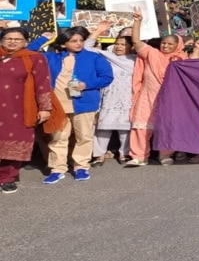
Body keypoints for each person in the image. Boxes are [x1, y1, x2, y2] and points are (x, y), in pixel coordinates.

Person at [126, 8, 199, 167]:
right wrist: (137, 22)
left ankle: (165, 155)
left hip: (170, 99)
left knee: (167, 126)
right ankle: (139, 156)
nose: (165, 46)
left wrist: (198, 49)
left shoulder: (181, 59)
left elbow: (194, 66)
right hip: (147, 97)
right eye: (163, 43)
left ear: (177, 46)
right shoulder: (151, 54)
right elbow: (137, 42)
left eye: (170, 44)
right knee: (141, 127)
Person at [41, 27, 114, 184]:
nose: (79, 43)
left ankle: (81, 167)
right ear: (63, 44)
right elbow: (28, 51)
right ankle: (57, 169)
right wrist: (43, 39)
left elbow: (107, 77)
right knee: (58, 138)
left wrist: (87, 84)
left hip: (84, 103)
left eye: (81, 40)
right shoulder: (51, 57)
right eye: (73, 41)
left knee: (84, 137)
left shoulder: (94, 57)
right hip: (58, 105)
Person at [0, 27, 62, 194]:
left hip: (19, 109)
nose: (12, 41)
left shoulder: (34, 58)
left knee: (13, 144)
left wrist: (45, 108)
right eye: (8, 38)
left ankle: (8, 178)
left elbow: (42, 84)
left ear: (26, 42)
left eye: (17, 39)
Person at [86, 21, 136, 166]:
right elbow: (87, 47)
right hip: (108, 95)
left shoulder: (136, 59)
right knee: (103, 127)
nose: (119, 47)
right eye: (118, 44)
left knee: (125, 128)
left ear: (131, 47)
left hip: (128, 95)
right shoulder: (106, 55)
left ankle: (124, 153)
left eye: (124, 45)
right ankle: (99, 155)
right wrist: (99, 30)